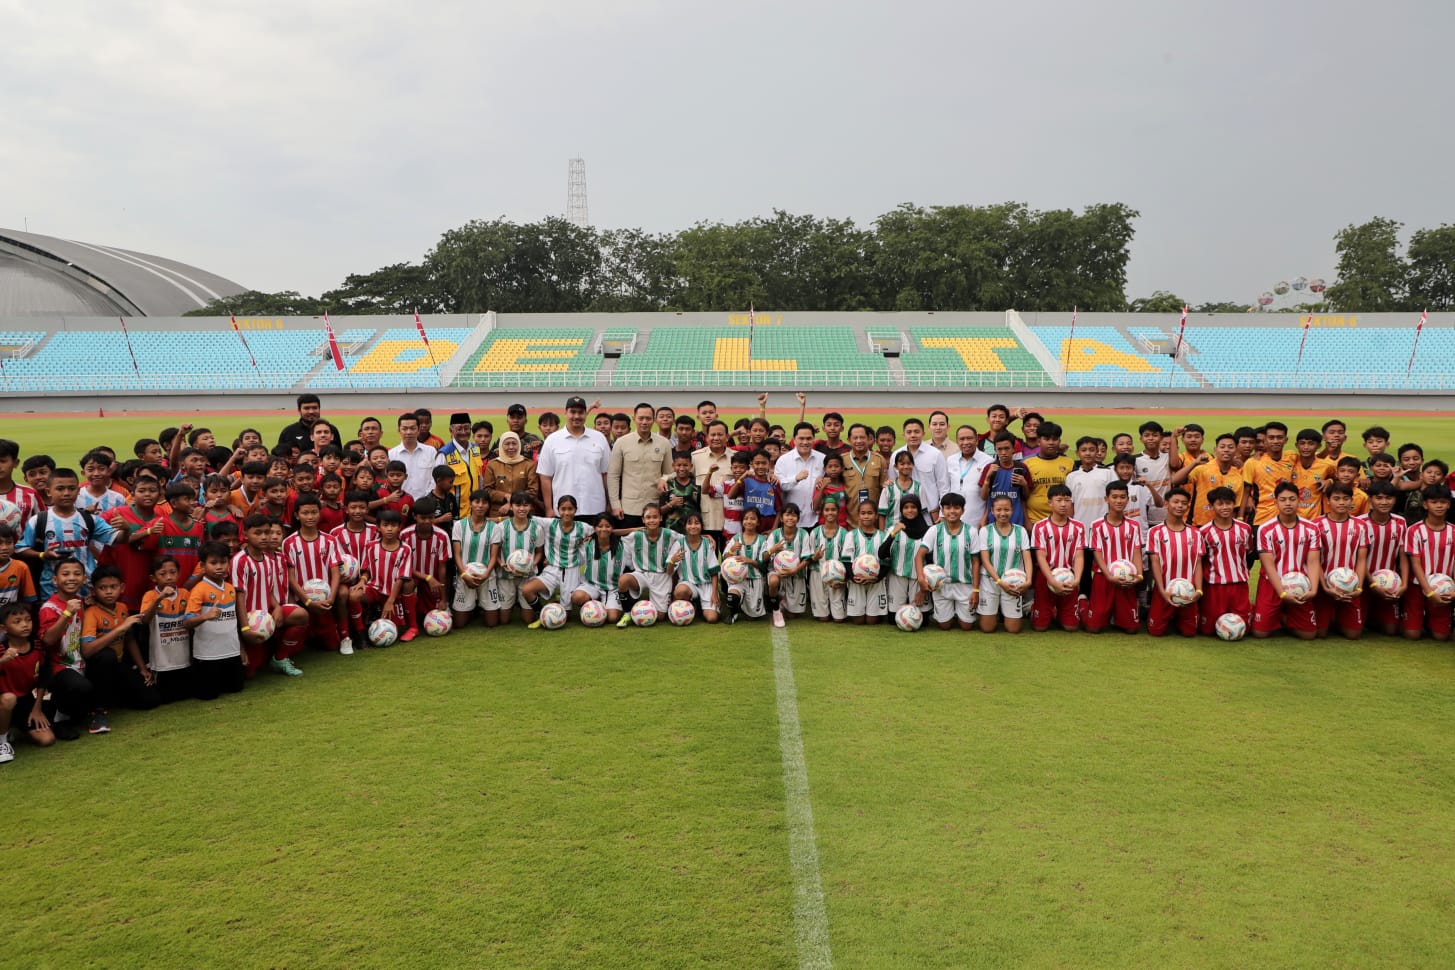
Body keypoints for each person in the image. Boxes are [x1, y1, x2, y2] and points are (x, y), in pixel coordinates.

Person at [21, 467, 125, 596]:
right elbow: (21, 549)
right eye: (60, 489)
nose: (66, 493)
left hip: (87, 587)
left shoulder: (89, 519)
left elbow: (118, 539)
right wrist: (43, 555)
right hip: (51, 588)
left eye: (71, 488)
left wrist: (125, 529)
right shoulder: (38, 520)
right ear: (49, 492)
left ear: (78, 491)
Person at [1252, 482, 1321, 640]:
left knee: (1308, 635)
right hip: (1272, 583)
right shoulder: (1265, 529)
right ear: (1275, 502)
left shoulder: (1311, 528)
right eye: (1283, 500)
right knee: (1260, 634)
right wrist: (1282, 593)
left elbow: (1313, 561)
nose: (1288, 503)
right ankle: (1268, 613)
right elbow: (1268, 565)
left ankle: (1283, 618)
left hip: (1301, 584)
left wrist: (1313, 590)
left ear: (1299, 500)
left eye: (1292, 499)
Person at [283, 494, 345, 653]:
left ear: (320, 513)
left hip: (325, 602)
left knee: (332, 646)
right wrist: (308, 601)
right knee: (299, 647)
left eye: (314, 512)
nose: (310, 517)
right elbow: (290, 578)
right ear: (297, 515)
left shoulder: (330, 540)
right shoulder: (289, 543)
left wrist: (331, 598)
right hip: (302, 602)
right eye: (305, 513)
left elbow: (335, 572)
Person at [537, 397, 611, 524]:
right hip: (563, 509)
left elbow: (606, 474)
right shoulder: (552, 440)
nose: (576, 416)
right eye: (573, 412)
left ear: (585, 414)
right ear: (565, 413)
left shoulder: (599, 438)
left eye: (580, 412)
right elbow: (545, 477)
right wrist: (549, 508)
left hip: (594, 507)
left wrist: (610, 503)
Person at [186, 542, 246, 699]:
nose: (219, 567)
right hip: (208, 655)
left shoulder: (230, 588)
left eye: (223, 562)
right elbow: (186, 622)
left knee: (236, 688)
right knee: (208, 695)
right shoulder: (199, 590)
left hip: (231, 652)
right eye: (213, 563)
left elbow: (234, 622)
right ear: (202, 565)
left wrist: (241, 648)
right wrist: (205, 616)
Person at [0, 603, 57, 760]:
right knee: (8, 698)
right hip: (3, 700)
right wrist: (2, 661)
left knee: (47, 739)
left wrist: (36, 708)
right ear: (4, 629)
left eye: (27, 620)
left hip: (24, 701)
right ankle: (2, 742)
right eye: (17, 622)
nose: (25, 625)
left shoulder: (37, 646)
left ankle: (13, 727)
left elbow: (44, 677)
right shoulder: (1, 650)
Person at [522, 495, 591, 624]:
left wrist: (589, 539)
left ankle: (558, 603)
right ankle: (542, 614)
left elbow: (600, 531)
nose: (566, 512)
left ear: (575, 510)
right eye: (563, 509)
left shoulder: (583, 527)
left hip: (571, 571)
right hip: (552, 569)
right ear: (558, 510)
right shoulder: (550, 523)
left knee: (566, 617)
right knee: (527, 590)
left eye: (570, 509)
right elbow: (528, 516)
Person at [916, 491, 979, 631]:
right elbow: (919, 556)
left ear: (963, 510)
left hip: (965, 585)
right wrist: (921, 579)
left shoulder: (971, 531)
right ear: (942, 510)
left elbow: (975, 562)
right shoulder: (934, 530)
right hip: (941, 586)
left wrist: (976, 590)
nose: (952, 511)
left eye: (956, 508)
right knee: (944, 626)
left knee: (966, 626)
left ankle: (961, 613)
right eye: (948, 508)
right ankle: (948, 614)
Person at [1086, 481, 1143, 635]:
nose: (1119, 501)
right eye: (1115, 497)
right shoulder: (1096, 525)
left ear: (1128, 499)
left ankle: (1118, 615)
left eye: (1123, 497)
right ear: (1107, 499)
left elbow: (1137, 551)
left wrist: (1139, 575)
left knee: (1131, 629)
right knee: (1093, 629)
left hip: (1127, 578)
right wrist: (1109, 575)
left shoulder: (1134, 525)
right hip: (1103, 576)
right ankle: (1084, 604)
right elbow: (1096, 553)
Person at [1146, 489, 1203, 638]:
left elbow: (1197, 563)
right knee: (1156, 632)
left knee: (1190, 633)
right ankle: (1169, 616)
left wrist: (1198, 591)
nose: (1180, 506)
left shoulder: (1196, 533)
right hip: (1164, 591)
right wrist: (1162, 591)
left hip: (1188, 593)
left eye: (1184, 503)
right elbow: (1155, 563)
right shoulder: (1155, 532)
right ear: (1166, 504)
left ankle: (1178, 618)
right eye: (1175, 502)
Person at [1314, 482, 1368, 640]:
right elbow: (1313, 559)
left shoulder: (1360, 526)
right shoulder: (1316, 525)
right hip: (1323, 587)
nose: (1342, 502)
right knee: (1320, 633)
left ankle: (1338, 618)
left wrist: (1358, 588)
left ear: (1352, 501)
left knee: (1354, 635)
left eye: (1346, 498)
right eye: (1336, 498)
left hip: (1350, 586)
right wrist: (1324, 586)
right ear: (1328, 501)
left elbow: (1361, 559)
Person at [1401, 483, 1454, 641]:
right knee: (1412, 635)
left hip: (1444, 586)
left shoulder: (1453, 531)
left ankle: (1431, 619)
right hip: (1417, 585)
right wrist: (1429, 592)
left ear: (1449, 504)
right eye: (1434, 502)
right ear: (1425, 504)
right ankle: (1415, 618)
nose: (1439, 506)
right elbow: (1415, 564)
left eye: (1443, 502)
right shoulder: (1414, 530)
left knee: (1441, 637)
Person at [1197, 486, 1253, 636]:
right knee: (1207, 631)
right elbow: (1201, 561)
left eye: (1228, 503)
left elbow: (1248, 553)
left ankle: (1251, 609)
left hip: (1239, 586)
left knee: (1245, 629)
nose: (1225, 507)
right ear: (1212, 506)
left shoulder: (1245, 529)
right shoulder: (1203, 532)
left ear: (1233, 504)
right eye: (1220, 504)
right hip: (1215, 587)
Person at [608, 402, 673, 529]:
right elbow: (613, 476)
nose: (644, 422)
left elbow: (670, 472)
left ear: (653, 420)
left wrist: (664, 479)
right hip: (629, 508)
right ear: (634, 419)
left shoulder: (664, 443)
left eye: (648, 419)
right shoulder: (622, 443)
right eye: (641, 418)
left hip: (654, 508)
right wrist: (616, 505)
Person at [1030, 485, 1084, 632]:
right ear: (1050, 502)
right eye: (1059, 500)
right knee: (1040, 628)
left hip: (1069, 577)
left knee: (1071, 627)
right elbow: (1040, 556)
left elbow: (1079, 556)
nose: (1063, 504)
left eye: (1067, 500)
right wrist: (1052, 580)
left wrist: (1077, 580)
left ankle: (1073, 606)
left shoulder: (1078, 527)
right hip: (1046, 576)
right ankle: (1039, 608)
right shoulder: (1040, 527)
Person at [139, 556, 193, 703]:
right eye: (163, 574)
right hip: (162, 659)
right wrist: (159, 599)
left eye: (172, 572)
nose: (169, 577)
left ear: (179, 573)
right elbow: (144, 620)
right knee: (166, 698)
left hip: (183, 655)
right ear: (153, 577)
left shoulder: (184, 594)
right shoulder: (150, 595)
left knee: (186, 694)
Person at [617, 503, 679, 626]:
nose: (652, 520)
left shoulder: (669, 534)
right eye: (648, 517)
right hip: (642, 574)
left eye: (655, 517)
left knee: (660, 617)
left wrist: (707, 536)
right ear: (643, 519)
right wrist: (632, 529)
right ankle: (628, 613)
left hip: (662, 576)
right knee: (624, 580)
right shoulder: (636, 535)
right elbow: (610, 533)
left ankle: (645, 607)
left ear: (661, 518)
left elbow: (688, 538)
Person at [977, 495, 1031, 634]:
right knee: (987, 628)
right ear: (992, 511)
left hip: (1014, 583)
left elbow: (1027, 557)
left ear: (1012, 510)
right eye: (998, 509)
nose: (1002, 513)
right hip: (990, 581)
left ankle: (1007, 612)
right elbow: (985, 560)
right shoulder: (985, 531)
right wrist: (999, 581)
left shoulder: (1021, 531)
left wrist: (1029, 581)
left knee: (1013, 629)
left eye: (1006, 509)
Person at [1359, 480, 1407, 636]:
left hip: (1389, 583)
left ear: (1395, 500)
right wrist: (1372, 583)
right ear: (1370, 499)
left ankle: (1373, 617)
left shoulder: (1400, 522)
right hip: (1364, 582)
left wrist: (1404, 584)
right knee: (1355, 631)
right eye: (1379, 498)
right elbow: (1358, 559)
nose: (1384, 502)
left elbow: (1403, 555)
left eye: (1389, 498)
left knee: (1391, 630)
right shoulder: (1360, 523)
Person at [491, 492, 545, 627]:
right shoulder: (501, 527)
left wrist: (534, 563)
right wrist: (502, 564)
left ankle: (531, 605)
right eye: (518, 505)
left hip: (527, 576)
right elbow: (495, 553)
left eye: (525, 505)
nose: (522, 509)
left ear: (530, 507)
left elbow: (539, 552)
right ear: (511, 507)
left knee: (528, 619)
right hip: (505, 576)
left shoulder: (536, 528)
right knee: (504, 620)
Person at [452, 490, 499, 630]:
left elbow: (494, 557)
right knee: (459, 624)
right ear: (470, 504)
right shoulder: (459, 525)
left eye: (484, 502)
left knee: (492, 623)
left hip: (487, 577)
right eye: (476, 502)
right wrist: (464, 575)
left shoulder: (494, 528)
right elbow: (457, 555)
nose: (480, 505)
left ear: (488, 506)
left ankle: (479, 605)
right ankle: (471, 607)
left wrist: (485, 575)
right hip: (465, 576)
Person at [891, 418, 949, 522]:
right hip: (902, 514)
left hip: (929, 515)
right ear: (903, 434)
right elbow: (892, 484)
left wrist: (942, 514)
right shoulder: (896, 455)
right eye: (909, 432)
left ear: (923, 433)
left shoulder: (935, 455)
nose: (913, 435)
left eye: (916, 432)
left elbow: (943, 486)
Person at [765, 503, 814, 626]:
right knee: (774, 581)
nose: (790, 518)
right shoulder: (774, 534)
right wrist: (773, 549)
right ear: (781, 518)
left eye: (793, 515)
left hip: (796, 574)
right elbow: (764, 557)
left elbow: (807, 559)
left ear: (798, 518)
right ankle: (776, 609)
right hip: (777, 572)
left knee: (792, 616)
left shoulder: (803, 534)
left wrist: (794, 570)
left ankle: (781, 600)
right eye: (787, 515)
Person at [841, 500, 889, 626]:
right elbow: (846, 561)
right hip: (856, 582)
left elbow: (886, 562)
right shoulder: (851, 535)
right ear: (858, 515)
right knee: (858, 621)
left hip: (876, 582)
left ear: (876, 515)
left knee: (871, 621)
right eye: (863, 513)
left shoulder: (883, 536)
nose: (866, 516)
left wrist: (876, 578)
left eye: (870, 513)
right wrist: (854, 578)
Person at [573, 517, 627, 625]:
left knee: (612, 618)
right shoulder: (587, 544)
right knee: (577, 597)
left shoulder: (622, 544)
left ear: (612, 528)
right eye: (600, 526)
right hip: (592, 585)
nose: (603, 529)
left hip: (612, 588)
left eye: (607, 526)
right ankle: (595, 604)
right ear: (594, 528)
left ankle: (605, 604)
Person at [722, 508, 771, 624]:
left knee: (753, 617)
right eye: (746, 518)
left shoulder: (762, 540)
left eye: (753, 518)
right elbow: (724, 559)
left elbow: (763, 565)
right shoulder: (735, 539)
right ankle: (733, 612)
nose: (749, 521)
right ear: (742, 521)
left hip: (755, 579)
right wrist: (732, 550)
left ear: (758, 522)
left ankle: (743, 606)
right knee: (732, 597)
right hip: (737, 579)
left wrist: (749, 561)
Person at [774, 423, 826, 529]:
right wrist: (795, 479)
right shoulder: (783, 460)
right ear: (794, 439)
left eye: (809, 438)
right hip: (790, 520)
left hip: (816, 520)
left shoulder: (822, 459)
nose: (805, 442)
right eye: (801, 438)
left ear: (814, 439)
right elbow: (779, 486)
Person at [671, 514, 720, 622]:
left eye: (697, 523)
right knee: (681, 591)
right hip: (688, 584)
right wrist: (672, 561)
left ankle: (699, 604)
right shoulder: (679, 544)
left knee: (712, 618)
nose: (693, 526)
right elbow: (669, 571)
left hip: (706, 585)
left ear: (702, 526)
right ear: (685, 526)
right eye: (689, 523)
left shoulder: (708, 544)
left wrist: (714, 593)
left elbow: (714, 572)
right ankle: (692, 602)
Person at [1022, 421, 1071, 525]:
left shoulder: (1069, 463)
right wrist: (1027, 522)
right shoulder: (1027, 463)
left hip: (1061, 521)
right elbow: (1021, 496)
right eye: (1047, 439)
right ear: (1039, 441)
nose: (1051, 443)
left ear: (1059, 441)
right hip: (1034, 520)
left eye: (1055, 439)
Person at [978, 433, 1030, 527]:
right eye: (1000, 449)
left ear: (1013, 449)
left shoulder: (1021, 468)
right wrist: (987, 478)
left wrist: (1024, 484)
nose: (1003, 452)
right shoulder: (990, 468)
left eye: (1007, 448)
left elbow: (1025, 497)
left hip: (1016, 519)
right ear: (995, 450)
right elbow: (983, 497)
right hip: (993, 520)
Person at [483, 432, 541, 514]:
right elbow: (487, 490)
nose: (511, 447)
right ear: (501, 446)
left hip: (523, 511)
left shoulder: (529, 464)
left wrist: (512, 503)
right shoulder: (492, 464)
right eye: (507, 444)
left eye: (514, 443)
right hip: (499, 512)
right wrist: (505, 496)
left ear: (519, 445)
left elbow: (533, 491)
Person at [388, 412, 439, 501]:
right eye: (404, 429)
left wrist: (428, 496)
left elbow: (435, 477)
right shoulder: (391, 454)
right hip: (400, 502)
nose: (408, 432)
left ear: (418, 430)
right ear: (399, 430)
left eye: (412, 428)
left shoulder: (430, 451)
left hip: (427, 502)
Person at [434, 412, 480, 508]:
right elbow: (437, 485)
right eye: (459, 429)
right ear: (451, 430)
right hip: (455, 512)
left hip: (475, 510)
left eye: (466, 428)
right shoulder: (445, 454)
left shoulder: (476, 449)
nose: (463, 432)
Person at [277, 394, 342, 453]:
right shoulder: (288, 432)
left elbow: (338, 453)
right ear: (299, 410)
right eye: (306, 408)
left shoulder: (331, 429)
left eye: (314, 408)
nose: (311, 411)